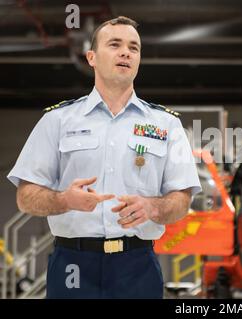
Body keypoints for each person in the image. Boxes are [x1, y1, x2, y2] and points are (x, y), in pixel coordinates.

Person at [7, 16, 201, 299]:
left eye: (134, 48)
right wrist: (64, 200)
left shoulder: (166, 125)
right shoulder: (58, 121)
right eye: (115, 44)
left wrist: (153, 208)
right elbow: (26, 196)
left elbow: (182, 200)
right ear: (91, 57)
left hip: (137, 265)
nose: (126, 52)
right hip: (73, 264)